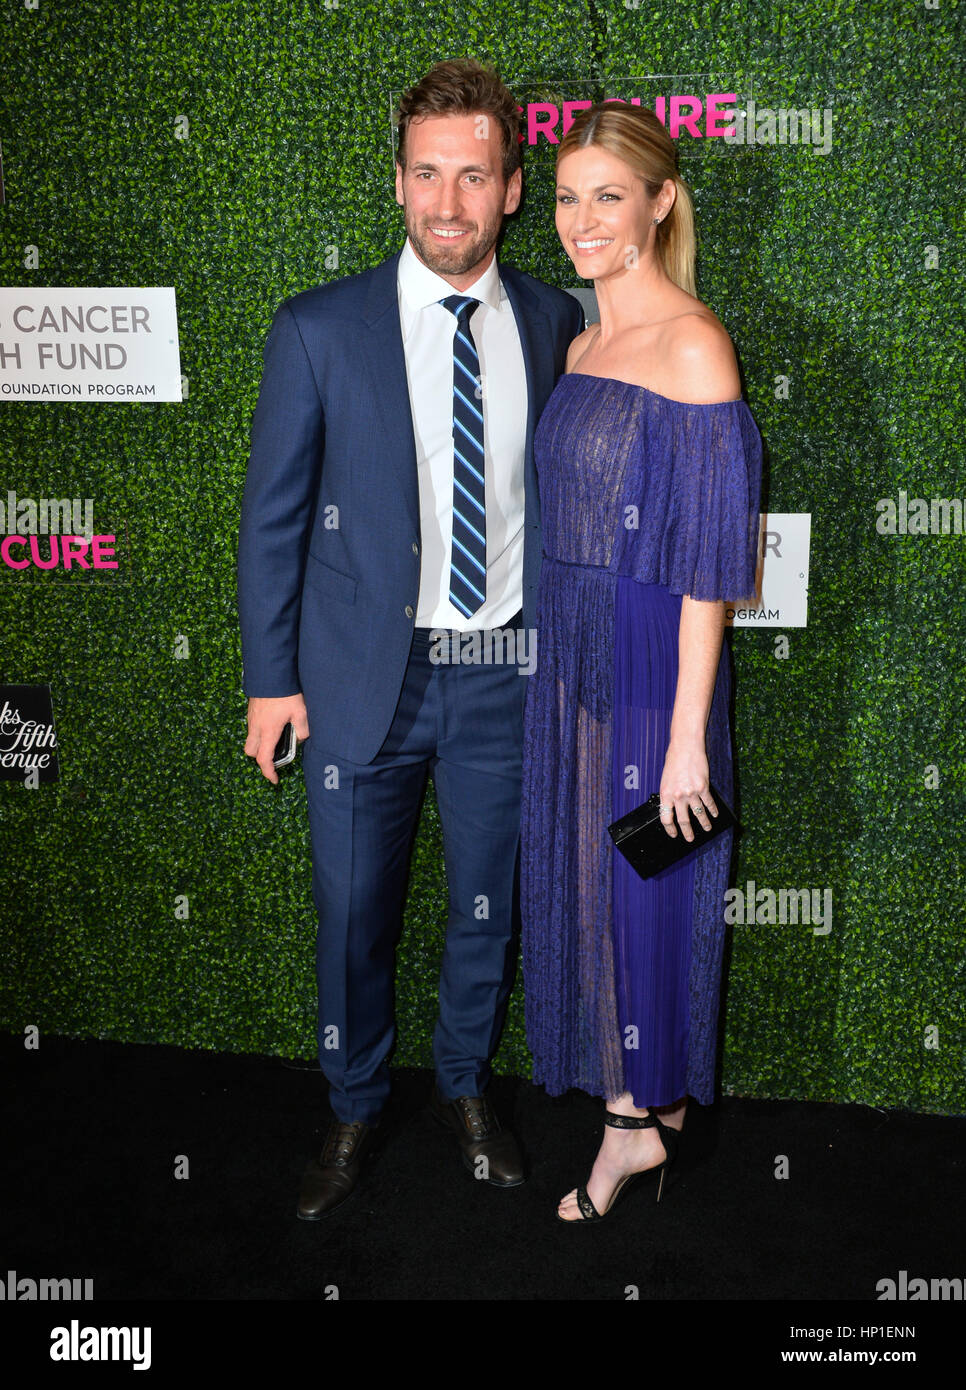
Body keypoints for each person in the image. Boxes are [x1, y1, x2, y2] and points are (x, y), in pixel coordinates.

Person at [237, 58, 585, 1219]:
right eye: (428, 173)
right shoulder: (318, 327)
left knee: (489, 894)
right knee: (352, 910)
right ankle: (352, 1101)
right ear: (397, 184)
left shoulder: (554, 321)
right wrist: (269, 681)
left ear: (513, 190)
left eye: (474, 175)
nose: (450, 201)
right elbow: (273, 521)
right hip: (355, 674)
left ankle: (465, 1085)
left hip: (501, 667)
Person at [519, 101, 763, 1222]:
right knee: (591, 873)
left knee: (637, 880)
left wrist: (683, 740)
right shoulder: (582, 339)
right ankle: (649, 1101)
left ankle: (627, 1127)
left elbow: (713, 568)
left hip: (654, 658)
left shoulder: (694, 345)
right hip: (569, 646)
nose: (582, 221)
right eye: (568, 197)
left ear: (662, 201)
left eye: (608, 195)